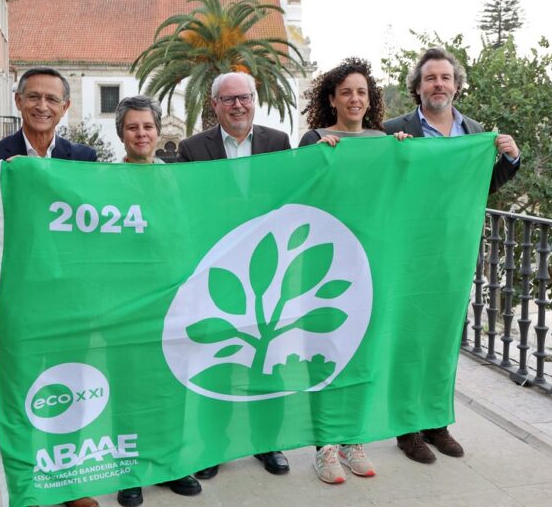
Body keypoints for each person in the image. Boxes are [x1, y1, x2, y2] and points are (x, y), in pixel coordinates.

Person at [0, 67, 98, 507]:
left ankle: (70, 483)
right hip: (17, 303)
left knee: (74, 390)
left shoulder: (84, 159)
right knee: (23, 392)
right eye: (33, 97)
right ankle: (31, 487)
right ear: (17, 101)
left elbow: (100, 232)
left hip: (71, 303)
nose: (42, 106)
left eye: (52, 99)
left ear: (66, 108)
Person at [383, 47, 520, 465]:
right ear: (417, 88)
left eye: (445, 78)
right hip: (408, 251)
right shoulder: (394, 129)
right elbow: (381, 187)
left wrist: (511, 158)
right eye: (430, 78)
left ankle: (436, 422)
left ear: (457, 85)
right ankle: (407, 428)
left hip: (453, 255)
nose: (438, 84)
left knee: (445, 339)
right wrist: (393, 154)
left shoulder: (473, 132)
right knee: (409, 339)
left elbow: (483, 187)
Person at [298, 57, 408, 485]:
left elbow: (401, 189)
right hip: (323, 261)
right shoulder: (315, 139)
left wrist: (399, 152)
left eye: (361, 91)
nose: (354, 99)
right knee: (325, 348)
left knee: (363, 348)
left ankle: (353, 439)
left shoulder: (383, 141)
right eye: (346, 92)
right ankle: (324, 446)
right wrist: (314, 161)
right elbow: (298, 189)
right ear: (332, 99)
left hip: (369, 259)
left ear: (371, 98)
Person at [176, 71, 291, 479]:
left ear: (255, 99)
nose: (238, 105)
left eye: (244, 97)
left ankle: (267, 444)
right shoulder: (191, 149)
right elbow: (188, 207)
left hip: (268, 271)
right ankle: (212, 448)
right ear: (215, 105)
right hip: (216, 274)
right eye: (229, 100)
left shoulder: (278, 144)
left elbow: (291, 197)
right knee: (218, 360)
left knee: (268, 360)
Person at [112, 95, 203, 506]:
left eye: (147, 126)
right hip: (126, 303)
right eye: (133, 127)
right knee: (129, 389)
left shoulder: (176, 179)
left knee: (171, 385)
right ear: (122, 134)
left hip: (173, 300)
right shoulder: (105, 180)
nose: (142, 134)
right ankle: (129, 473)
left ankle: (170, 464)